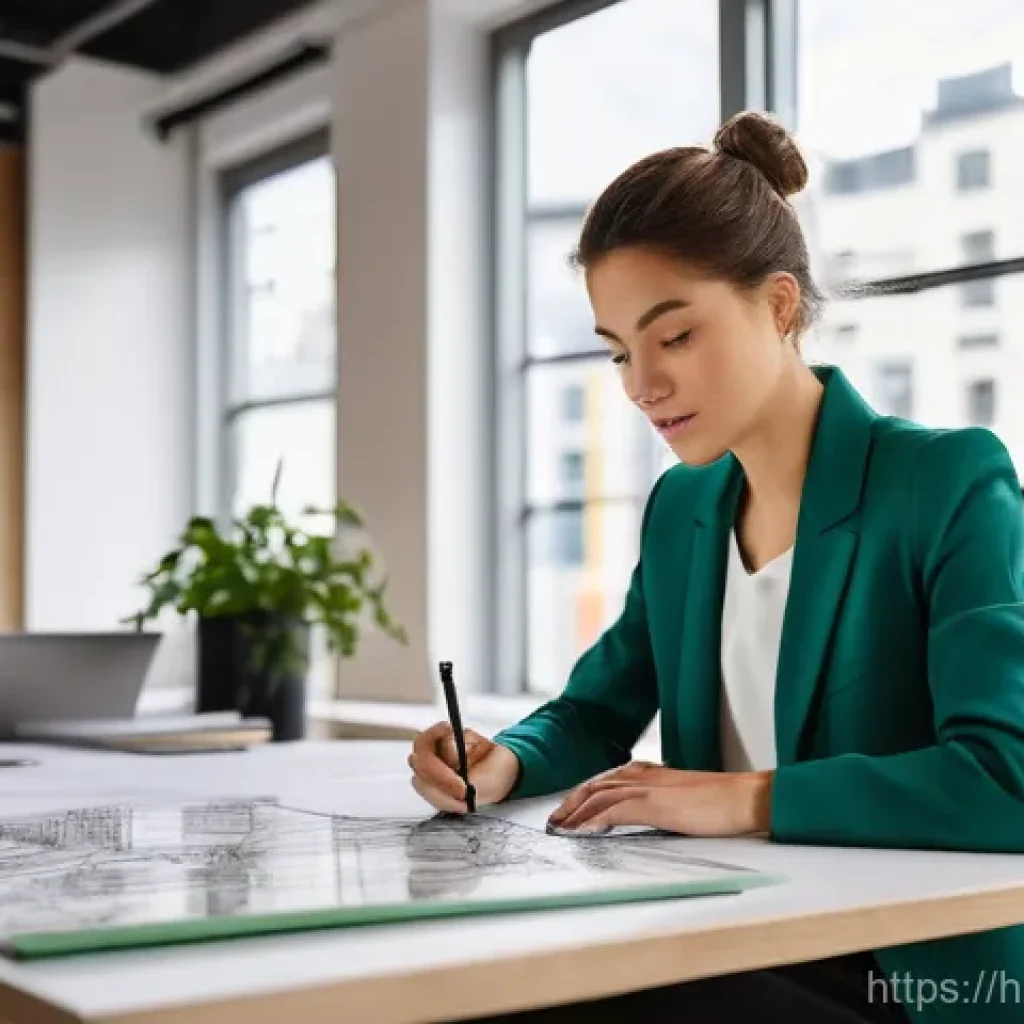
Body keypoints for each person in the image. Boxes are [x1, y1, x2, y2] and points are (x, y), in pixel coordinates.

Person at [408, 110, 1024, 1024]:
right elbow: (595, 708)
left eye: (675, 337)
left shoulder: (944, 480)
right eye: (620, 351)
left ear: (778, 307)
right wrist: (503, 764)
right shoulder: (680, 509)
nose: (640, 385)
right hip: (726, 933)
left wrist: (749, 800)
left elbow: (1004, 779)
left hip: (902, 975)